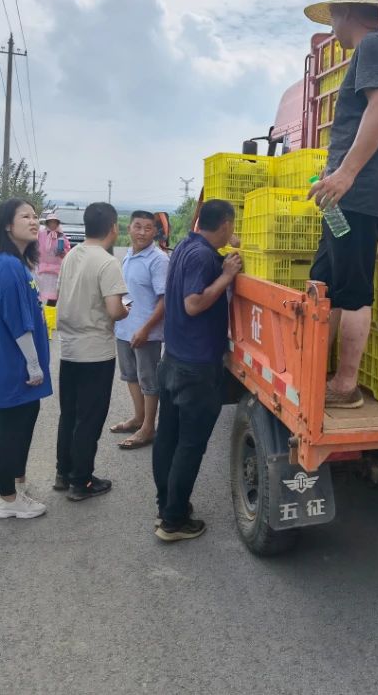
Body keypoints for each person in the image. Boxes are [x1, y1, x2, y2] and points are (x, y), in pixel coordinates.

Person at [303, 0, 378, 408]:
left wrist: (346, 174)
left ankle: (345, 386)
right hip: (345, 197)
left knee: (351, 290)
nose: (331, 27)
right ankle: (317, 370)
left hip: (358, 196)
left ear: (344, 12)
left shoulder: (374, 45)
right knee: (325, 280)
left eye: (332, 16)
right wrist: (334, 173)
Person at [152, 199, 240, 542]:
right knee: (189, 445)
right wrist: (227, 276)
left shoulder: (186, 246)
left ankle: (166, 507)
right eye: (232, 227)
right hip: (196, 368)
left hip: (173, 361)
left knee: (168, 439)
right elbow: (193, 304)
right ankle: (174, 521)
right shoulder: (204, 257)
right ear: (226, 224)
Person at [0, 198, 52, 520]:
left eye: (36, 216)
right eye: (26, 216)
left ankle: (17, 486)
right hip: (13, 365)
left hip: (18, 363)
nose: (34, 221)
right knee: (11, 430)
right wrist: (33, 365)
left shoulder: (16, 263)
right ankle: (7, 500)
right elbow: (17, 321)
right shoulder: (7, 265)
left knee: (24, 421)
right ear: (7, 225)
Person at [53, 202, 129, 501]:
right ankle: (81, 481)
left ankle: (63, 472)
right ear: (113, 227)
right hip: (95, 352)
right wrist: (125, 310)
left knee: (69, 414)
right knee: (90, 418)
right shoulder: (108, 262)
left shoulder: (72, 254)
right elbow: (114, 310)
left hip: (69, 349)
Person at [109, 211, 169, 451]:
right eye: (137, 227)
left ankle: (148, 428)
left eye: (148, 228)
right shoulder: (128, 256)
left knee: (149, 381)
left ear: (155, 232)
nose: (142, 232)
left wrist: (145, 329)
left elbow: (165, 300)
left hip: (146, 334)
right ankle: (138, 418)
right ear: (129, 229)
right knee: (130, 376)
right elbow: (127, 293)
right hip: (124, 329)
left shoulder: (158, 260)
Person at [37, 211, 68, 306]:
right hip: (43, 269)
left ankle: (50, 311)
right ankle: (40, 310)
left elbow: (67, 250)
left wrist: (62, 252)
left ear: (57, 223)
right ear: (47, 223)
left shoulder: (61, 236)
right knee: (41, 292)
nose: (52, 224)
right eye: (50, 222)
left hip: (56, 270)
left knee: (54, 294)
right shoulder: (41, 234)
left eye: (54, 222)